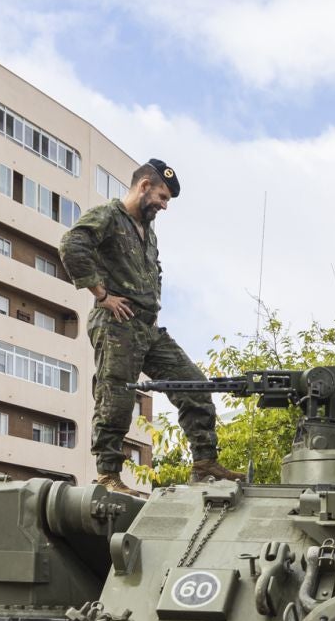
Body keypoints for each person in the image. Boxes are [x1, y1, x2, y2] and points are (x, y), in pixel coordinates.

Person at [58, 159, 244, 494]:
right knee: (115, 395)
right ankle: (108, 476)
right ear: (144, 186)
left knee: (194, 385)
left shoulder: (148, 230)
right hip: (117, 323)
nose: (164, 205)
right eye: (162, 197)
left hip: (147, 327)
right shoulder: (109, 216)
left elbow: (151, 270)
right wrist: (102, 295)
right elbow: (72, 244)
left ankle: (204, 464)